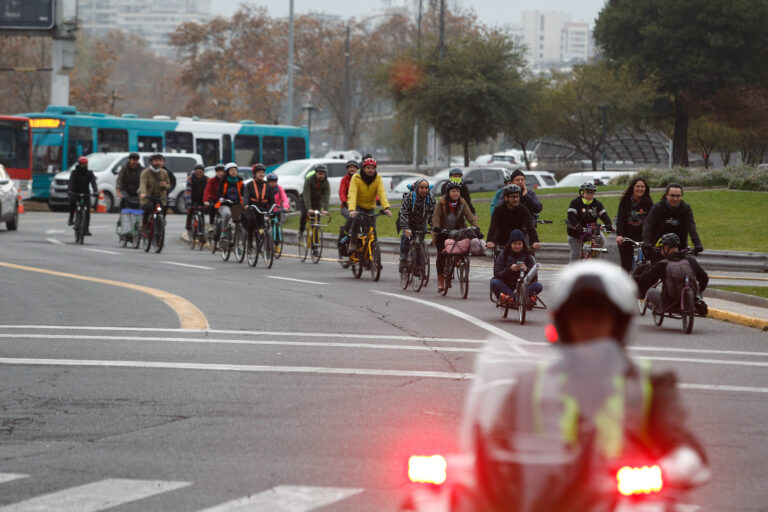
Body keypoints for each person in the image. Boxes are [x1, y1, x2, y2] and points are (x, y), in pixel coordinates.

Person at [459, 260, 710, 511]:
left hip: (621, 502)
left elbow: (683, 446)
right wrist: (474, 467)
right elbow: (495, 443)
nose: (588, 325)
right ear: (564, 325)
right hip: (540, 499)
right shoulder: (530, 385)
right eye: (579, 317)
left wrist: (670, 469)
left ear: (619, 324)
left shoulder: (648, 386)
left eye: (598, 317)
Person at [634, 232, 709, 312]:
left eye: (662, 249)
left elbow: (647, 278)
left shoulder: (663, 264)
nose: (661, 252)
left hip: (669, 304)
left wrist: (633, 279)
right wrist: (698, 292)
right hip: (689, 302)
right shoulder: (690, 260)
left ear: (666, 248)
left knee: (650, 291)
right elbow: (704, 278)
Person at [432, 182, 477, 293]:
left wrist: (476, 227)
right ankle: (441, 280)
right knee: (442, 255)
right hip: (443, 233)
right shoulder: (441, 203)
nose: (456, 193)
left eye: (457, 191)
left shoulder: (462, 203)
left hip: (458, 232)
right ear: (448, 193)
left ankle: (458, 261)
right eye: (453, 191)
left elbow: (469, 216)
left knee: (461, 249)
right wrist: (437, 227)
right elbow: (436, 218)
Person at [643, 182, 703, 263]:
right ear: (667, 195)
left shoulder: (685, 209)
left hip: (679, 248)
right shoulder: (658, 207)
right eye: (672, 195)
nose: (675, 199)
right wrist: (647, 242)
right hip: (659, 249)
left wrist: (697, 243)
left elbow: (691, 226)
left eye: (678, 196)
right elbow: (648, 225)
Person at [348, 157, 392, 250]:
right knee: (357, 220)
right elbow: (352, 193)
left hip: (370, 207)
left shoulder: (378, 178)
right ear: (363, 169)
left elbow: (382, 193)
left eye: (372, 168)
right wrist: (352, 210)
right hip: (358, 206)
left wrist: (386, 208)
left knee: (372, 231)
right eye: (368, 168)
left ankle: (373, 254)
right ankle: (353, 242)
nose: (370, 170)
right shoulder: (356, 177)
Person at [490, 229, 542, 305]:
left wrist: (526, 269)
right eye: (515, 244)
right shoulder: (503, 255)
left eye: (519, 244)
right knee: (494, 282)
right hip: (507, 286)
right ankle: (521, 299)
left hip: (523, 287)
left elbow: (534, 277)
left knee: (538, 286)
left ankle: (511, 299)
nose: (517, 246)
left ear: (523, 244)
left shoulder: (528, 255)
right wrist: (509, 269)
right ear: (510, 244)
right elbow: (497, 273)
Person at [566, 181, 614, 262]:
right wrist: (576, 225)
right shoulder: (575, 202)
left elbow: (604, 215)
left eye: (592, 193)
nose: (590, 195)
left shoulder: (597, 204)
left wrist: (608, 224)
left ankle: (593, 259)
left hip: (588, 229)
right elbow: (571, 215)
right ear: (582, 193)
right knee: (576, 255)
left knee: (600, 238)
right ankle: (573, 271)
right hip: (575, 232)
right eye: (587, 193)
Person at [486, 185, 540, 252]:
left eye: (517, 196)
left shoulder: (523, 210)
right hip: (502, 243)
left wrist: (535, 241)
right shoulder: (498, 210)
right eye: (512, 197)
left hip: (518, 243)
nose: (516, 199)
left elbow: (530, 227)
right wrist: (490, 241)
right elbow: (493, 227)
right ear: (506, 198)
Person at [615, 177, 653, 272]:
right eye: (638, 186)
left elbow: (652, 220)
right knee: (626, 263)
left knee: (648, 261)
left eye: (642, 187)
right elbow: (620, 219)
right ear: (633, 187)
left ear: (646, 189)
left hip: (642, 235)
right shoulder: (625, 201)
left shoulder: (648, 202)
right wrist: (619, 235)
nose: (640, 189)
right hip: (627, 235)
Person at [398, 178, 436, 273]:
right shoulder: (409, 197)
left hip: (421, 223)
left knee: (419, 244)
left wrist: (433, 227)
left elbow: (433, 215)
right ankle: (403, 260)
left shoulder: (431, 198)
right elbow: (404, 213)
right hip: (408, 221)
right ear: (417, 188)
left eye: (426, 188)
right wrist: (406, 228)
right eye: (421, 188)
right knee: (405, 238)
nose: (424, 190)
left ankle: (418, 267)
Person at [242, 163, 275, 251]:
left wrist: (272, 207)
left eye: (263, 172)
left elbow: (272, 200)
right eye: (259, 172)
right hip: (251, 208)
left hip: (263, 208)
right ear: (255, 174)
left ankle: (264, 242)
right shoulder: (249, 185)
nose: (261, 174)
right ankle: (249, 242)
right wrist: (246, 204)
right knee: (252, 219)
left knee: (264, 225)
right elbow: (246, 196)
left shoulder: (267, 185)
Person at [138, 153, 171, 232]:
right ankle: (144, 225)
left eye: (159, 161)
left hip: (160, 198)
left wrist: (165, 186)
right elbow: (142, 183)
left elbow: (169, 184)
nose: (158, 163)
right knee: (148, 208)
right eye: (156, 161)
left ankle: (160, 225)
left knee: (161, 209)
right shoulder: (145, 172)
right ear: (151, 162)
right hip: (148, 197)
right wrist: (143, 193)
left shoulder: (164, 172)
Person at [67, 156, 98, 235]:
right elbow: (71, 182)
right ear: (79, 164)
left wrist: (95, 191)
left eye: (85, 164)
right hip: (75, 192)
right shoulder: (74, 173)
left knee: (87, 211)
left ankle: (86, 229)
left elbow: (93, 182)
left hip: (86, 193)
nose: (84, 165)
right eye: (82, 164)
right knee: (72, 202)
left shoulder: (89, 173)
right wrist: (70, 190)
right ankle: (71, 218)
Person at [298, 163, 330, 240]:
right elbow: (306, 194)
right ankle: (301, 231)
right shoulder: (309, 180)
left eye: (323, 174)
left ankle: (315, 247)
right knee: (304, 215)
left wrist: (325, 209)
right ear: (316, 173)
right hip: (305, 200)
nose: (321, 175)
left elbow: (326, 196)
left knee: (316, 224)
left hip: (317, 202)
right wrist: (308, 208)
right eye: (319, 173)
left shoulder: (326, 182)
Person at [215, 162, 243, 241]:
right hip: (224, 204)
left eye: (235, 170)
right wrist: (221, 198)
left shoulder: (240, 181)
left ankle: (238, 244)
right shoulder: (223, 181)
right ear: (227, 172)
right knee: (227, 214)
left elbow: (244, 192)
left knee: (240, 221)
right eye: (231, 170)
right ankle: (224, 231)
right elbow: (219, 193)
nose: (234, 172)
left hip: (236, 205)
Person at [184, 164, 208, 232]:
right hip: (192, 198)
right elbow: (188, 191)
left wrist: (207, 201)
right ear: (194, 171)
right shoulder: (190, 178)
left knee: (202, 214)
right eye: (197, 172)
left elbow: (208, 191)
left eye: (200, 172)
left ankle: (202, 231)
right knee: (190, 211)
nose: (199, 174)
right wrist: (189, 203)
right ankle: (188, 225)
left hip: (202, 199)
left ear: (203, 172)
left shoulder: (206, 179)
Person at [204, 163, 226, 229]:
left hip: (223, 199)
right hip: (213, 199)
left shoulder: (226, 180)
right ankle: (211, 224)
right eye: (218, 171)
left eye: (222, 171)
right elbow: (206, 190)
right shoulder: (212, 180)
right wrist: (205, 200)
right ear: (216, 172)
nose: (220, 173)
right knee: (212, 207)